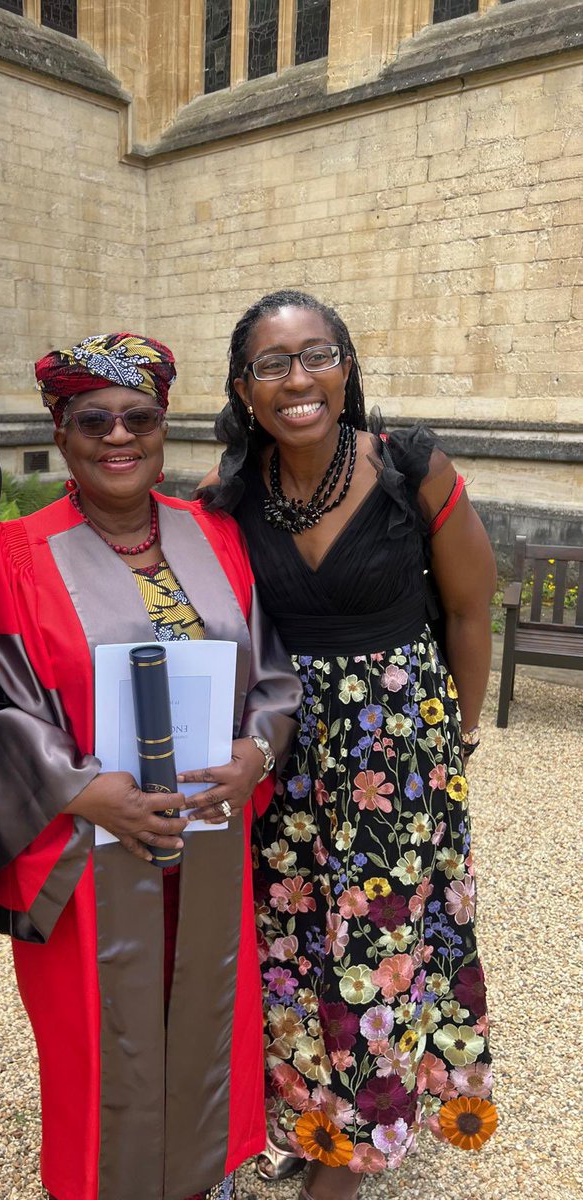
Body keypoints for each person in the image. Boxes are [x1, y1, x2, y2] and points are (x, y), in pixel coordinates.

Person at [0, 332, 302, 1200]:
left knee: (208, 1015)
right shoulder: (15, 555)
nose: (119, 437)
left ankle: (204, 1180)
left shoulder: (217, 538)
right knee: (98, 1046)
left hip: (210, 839)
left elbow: (271, 674)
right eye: (94, 420)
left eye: (139, 418)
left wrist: (254, 752)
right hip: (87, 857)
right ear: (62, 430)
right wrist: (82, 788)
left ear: (163, 428)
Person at [199, 291, 498, 1200]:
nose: (299, 379)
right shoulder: (234, 497)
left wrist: (459, 738)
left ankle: (359, 1147)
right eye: (273, 364)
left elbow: (469, 608)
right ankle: (311, 1118)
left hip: (397, 759)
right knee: (290, 944)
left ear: (347, 366)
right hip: (286, 755)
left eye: (317, 355)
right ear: (244, 389)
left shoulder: (411, 466)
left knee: (380, 947)